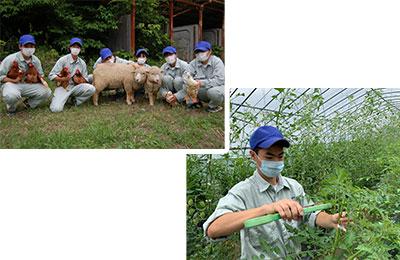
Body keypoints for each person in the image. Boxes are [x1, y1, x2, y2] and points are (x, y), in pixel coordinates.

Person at [203, 126, 352, 259]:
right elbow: (213, 229)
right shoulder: (242, 192)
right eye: (269, 157)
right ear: (253, 156)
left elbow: (310, 214)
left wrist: (330, 220)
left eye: (280, 156)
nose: (276, 162)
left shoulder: (293, 186)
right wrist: (266, 209)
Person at [0, 34, 51, 116]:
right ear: (20, 46)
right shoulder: (11, 59)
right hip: (12, 84)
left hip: (27, 85)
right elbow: (1, 76)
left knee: (47, 91)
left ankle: (28, 104)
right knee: (11, 95)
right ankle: (11, 109)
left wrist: (35, 79)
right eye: (26, 46)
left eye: (31, 46)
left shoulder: (36, 60)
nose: (29, 48)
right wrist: (14, 80)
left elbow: (40, 75)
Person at [49, 37, 95, 113]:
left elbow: (86, 78)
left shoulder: (82, 63)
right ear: (70, 48)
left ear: (80, 49)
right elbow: (51, 76)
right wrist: (63, 79)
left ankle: (75, 101)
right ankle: (60, 99)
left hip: (75, 86)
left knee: (91, 89)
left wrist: (80, 80)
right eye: (74, 47)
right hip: (63, 86)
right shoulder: (63, 60)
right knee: (56, 109)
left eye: (78, 47)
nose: (75, 49)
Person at [185, 41, 224, 112]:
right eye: (197, 52)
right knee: (185, 85)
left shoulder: (217, 62)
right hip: (203, 90)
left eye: (202, 51)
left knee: (213, 92)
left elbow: (219, 80)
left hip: (217, 88)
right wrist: (190, 82)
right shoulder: (193, 63)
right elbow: (186, 75)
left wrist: (201, 83)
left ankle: (214, 106)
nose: (200, 54)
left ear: (210, 52)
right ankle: (195, 103)